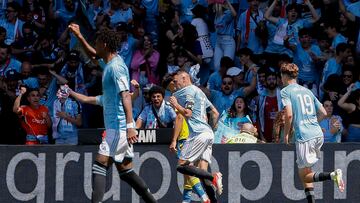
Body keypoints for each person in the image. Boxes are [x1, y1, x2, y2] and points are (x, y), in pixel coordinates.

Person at [67, 23, 156, 203]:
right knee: (126, 172)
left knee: (99, 165)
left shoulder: (116, 68)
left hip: (118, 127)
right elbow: (93, 55)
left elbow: (125, 96)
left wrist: (131, 127)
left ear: (105, 45)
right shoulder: (109, 63)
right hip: (117, 127)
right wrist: (79, 35)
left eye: (97, 42)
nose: (96, 46)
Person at [280, 63, 345, 203]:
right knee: (304, 171)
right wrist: (313, 123)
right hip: (317, 134)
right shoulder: (307, 91)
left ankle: (333, 175)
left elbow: (289, 115)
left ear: (284, 76)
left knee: (304, 176)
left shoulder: (285, 91)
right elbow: (323, 112)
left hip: (304, 136)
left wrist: (286, 134)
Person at [169, 70, 222, 202]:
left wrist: (176, 104)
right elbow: (215, 113)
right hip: (208, 133)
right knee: (202, 174)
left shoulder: (188, 91)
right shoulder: (200, 92)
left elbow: (187, 113)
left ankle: (213, 177)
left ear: (185, 78)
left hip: (198, 133)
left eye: (176, 81)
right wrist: (211, 129)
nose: (174, 84)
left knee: (181, 165)